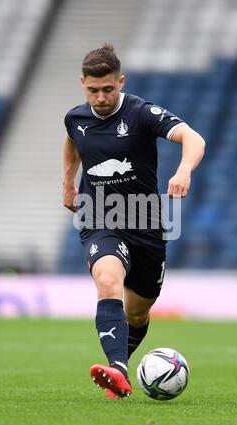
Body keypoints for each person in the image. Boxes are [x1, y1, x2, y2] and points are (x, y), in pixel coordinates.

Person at [63, 43, 205, 399]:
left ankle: (120, 364)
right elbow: (72, 142)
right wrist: (68, 182)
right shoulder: (75, 118)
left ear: (121, 82)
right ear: (82, 83)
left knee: (138, 312)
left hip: (146, 221)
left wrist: (184, 169)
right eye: (93, 90)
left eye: (108, 89)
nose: (100, 98)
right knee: (107, 279)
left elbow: (193, 137)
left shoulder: (141, 113)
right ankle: (118, 371)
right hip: (100, 217)